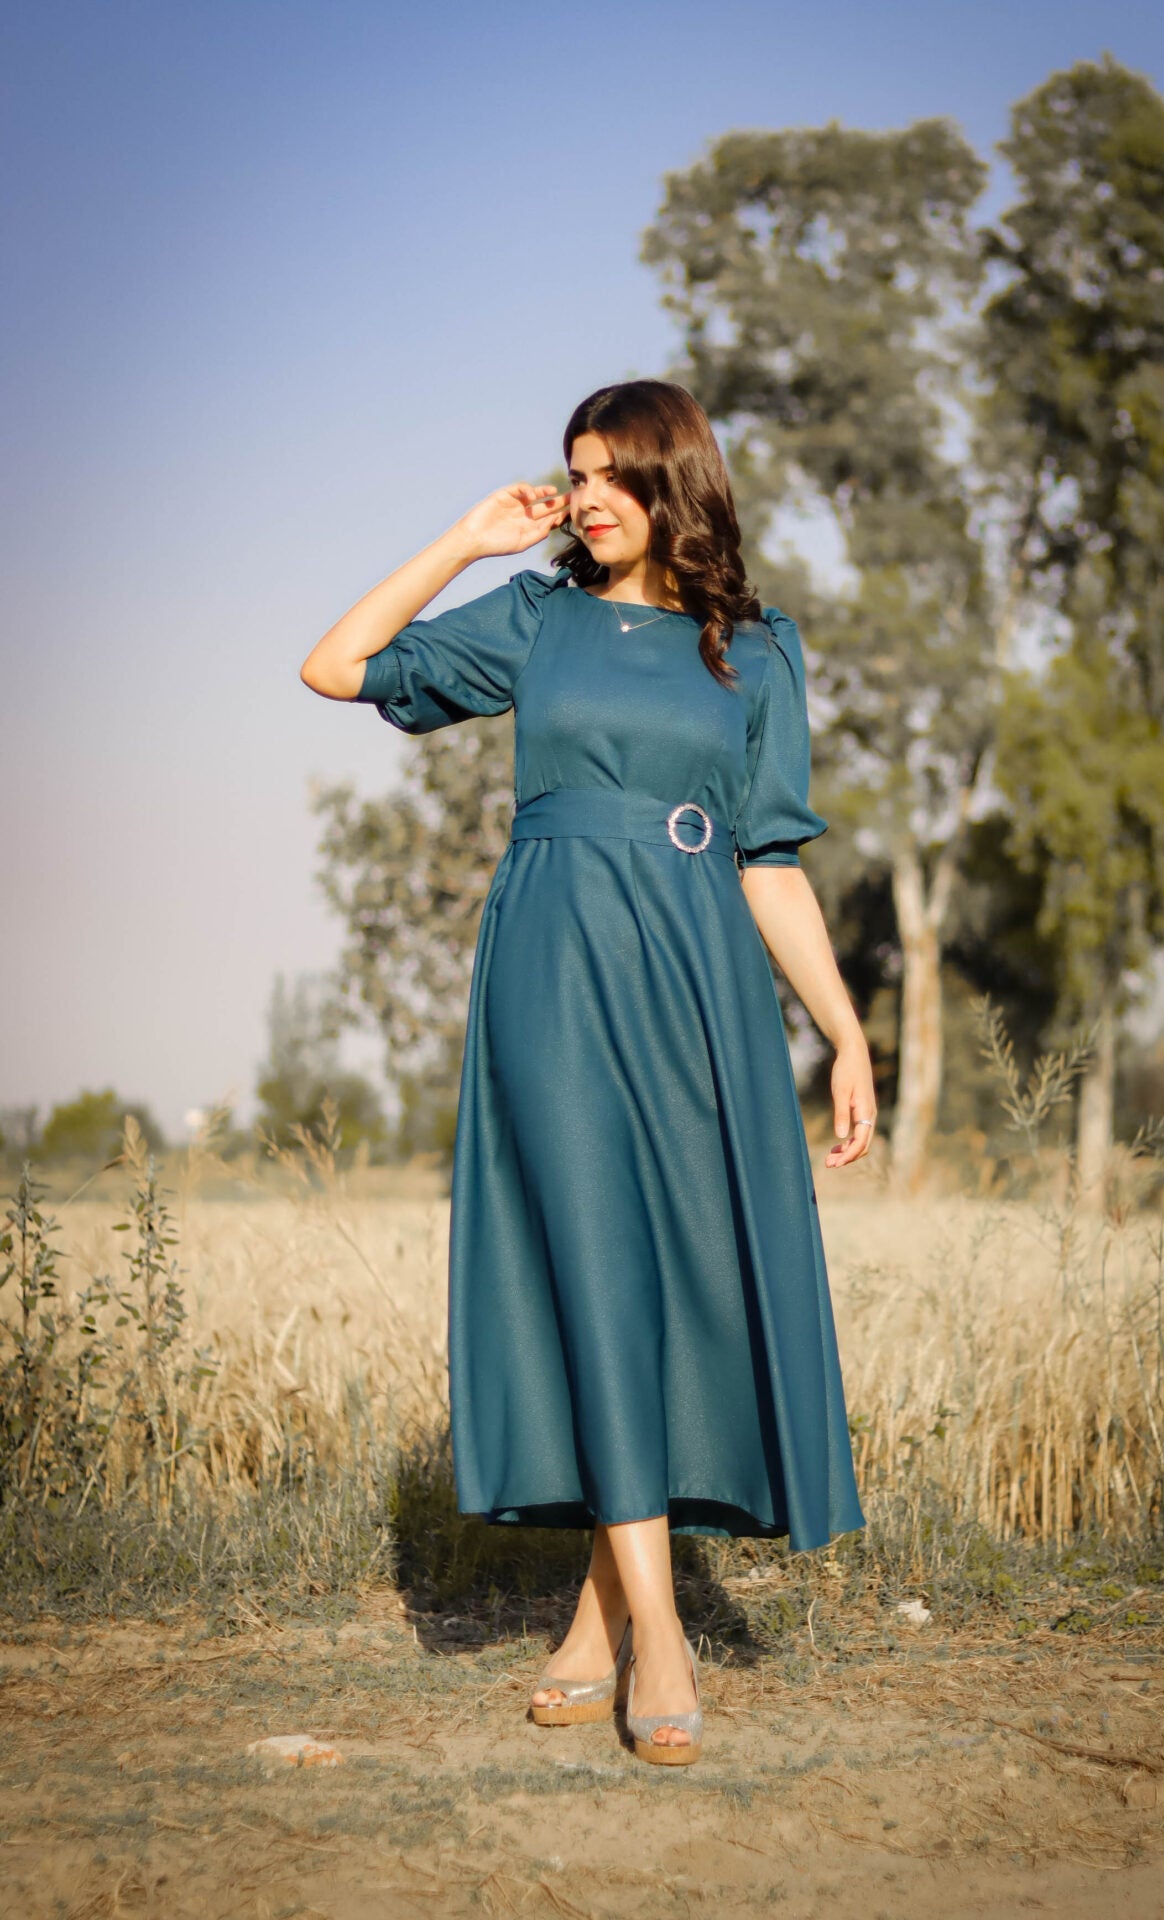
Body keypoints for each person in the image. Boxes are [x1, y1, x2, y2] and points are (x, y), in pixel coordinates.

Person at [301, 378, 876, 1766]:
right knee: (596, 1269)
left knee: (682, 1275)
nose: (589, 496)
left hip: (698, 980)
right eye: (576, 472)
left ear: (679, 482)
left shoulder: (758, 651)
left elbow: (771, 862)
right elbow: (335, 666)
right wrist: (468, 540)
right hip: (553, 969)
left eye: (617, 472)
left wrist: (848, 1033)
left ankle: (593, 1618)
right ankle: (662, 1634)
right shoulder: (538, 618)